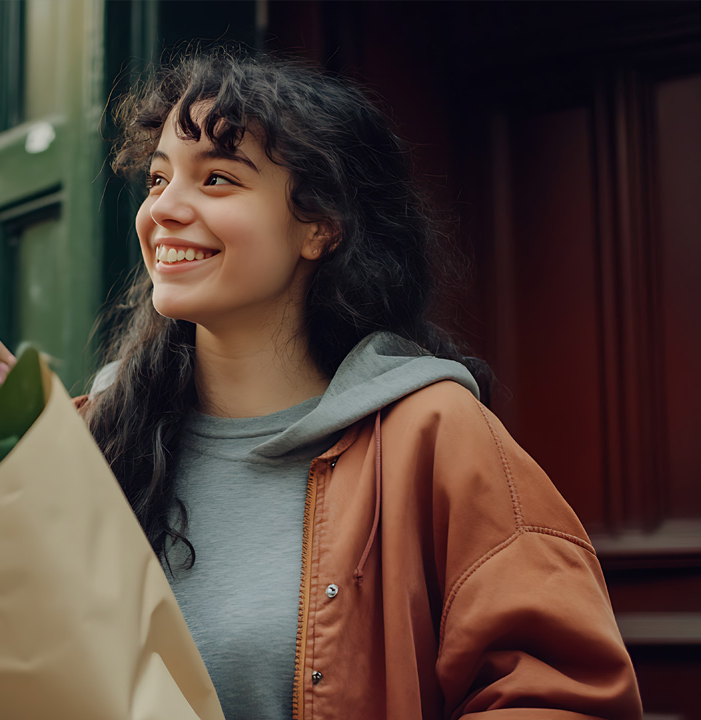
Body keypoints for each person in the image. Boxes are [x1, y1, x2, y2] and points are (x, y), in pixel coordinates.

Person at [74, 46, 641, 718]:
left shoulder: (436, 437)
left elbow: (565, 698)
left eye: (218, 179)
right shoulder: (92, 439)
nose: (163, 209)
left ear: (321, 225)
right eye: (158, 179)